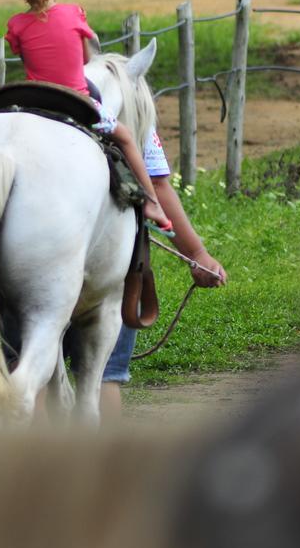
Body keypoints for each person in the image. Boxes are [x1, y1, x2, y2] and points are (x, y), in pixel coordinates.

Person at [5, 0, 171, 231]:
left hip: (36, 103)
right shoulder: (73, 14)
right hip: (77, 102)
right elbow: (85, 60)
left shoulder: (16, 24)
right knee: (126, 137)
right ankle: (152, 202)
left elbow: (26, 57)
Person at [98, 151, 229, 420]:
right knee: (105, 375)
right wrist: (197, 253)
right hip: (111, 258)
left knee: (29, 365)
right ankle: (107, 460)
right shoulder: (126, 109)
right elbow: (156, 183)